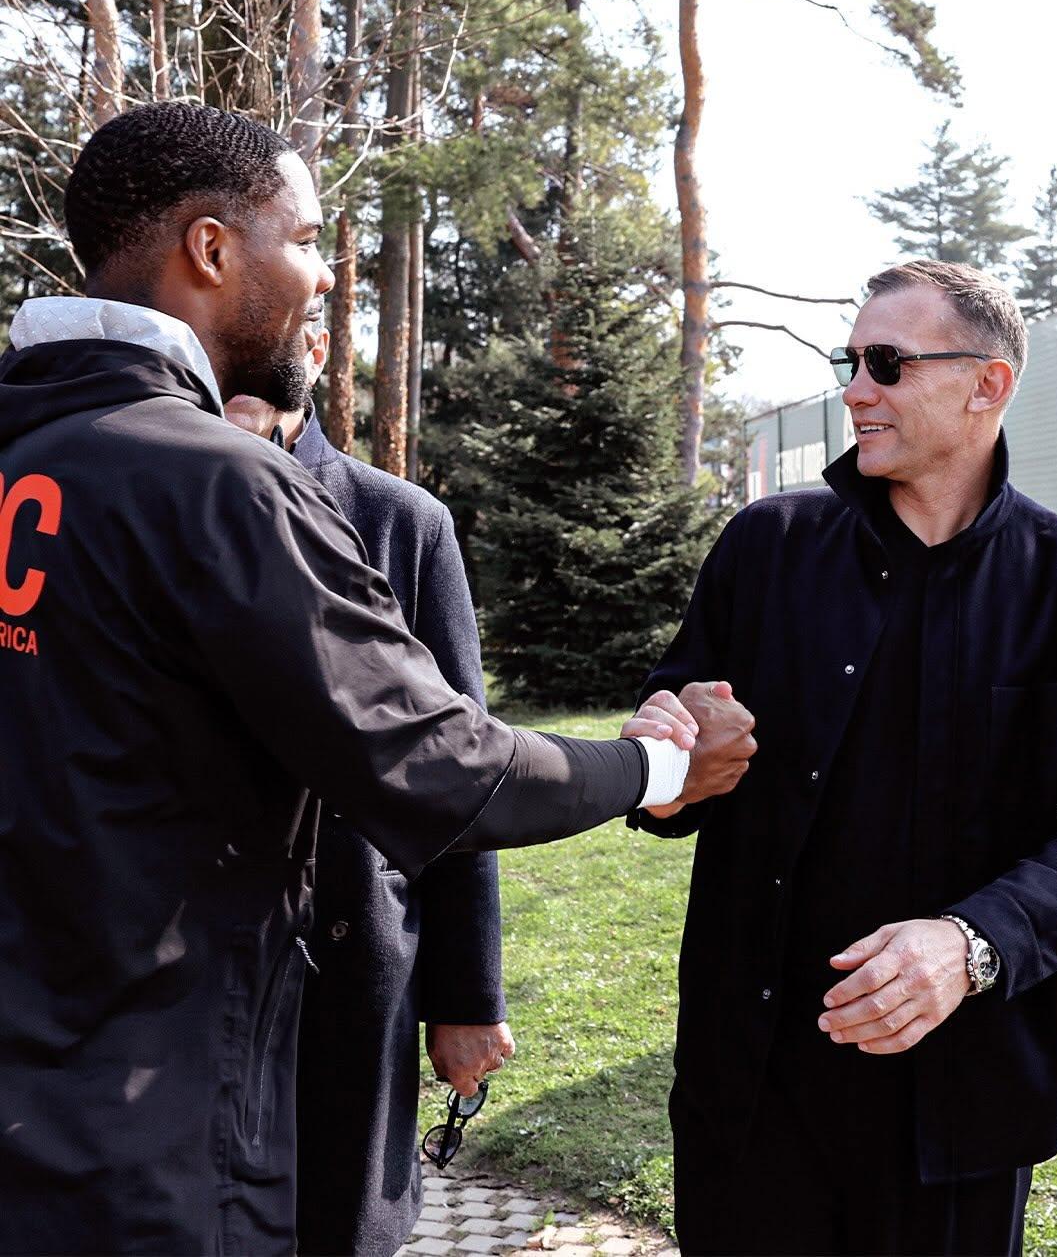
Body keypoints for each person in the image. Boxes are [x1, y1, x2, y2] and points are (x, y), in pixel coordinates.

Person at [0, 101, 757, 1257]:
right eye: (306, 240)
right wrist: (657, 767)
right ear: (211, 249)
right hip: (148, 1144)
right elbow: (443, 766)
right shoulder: (217, 484)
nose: (323, 277)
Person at [636, 260, 1057, 1256]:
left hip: (961, 1111)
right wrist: (667, 767)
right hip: (754, 1101)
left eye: (887, 363)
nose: (854, 391)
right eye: (851, 363)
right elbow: (672, 767)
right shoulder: (764, 549)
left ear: (988, 384)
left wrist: (972, 944)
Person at [226, 315, 512, 1257]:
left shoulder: (401, 522)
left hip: (349, 959)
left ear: (316, 353)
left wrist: (467, 997)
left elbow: (462, 777)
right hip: (194, 960)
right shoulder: (159, 496)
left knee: (340, 1219)